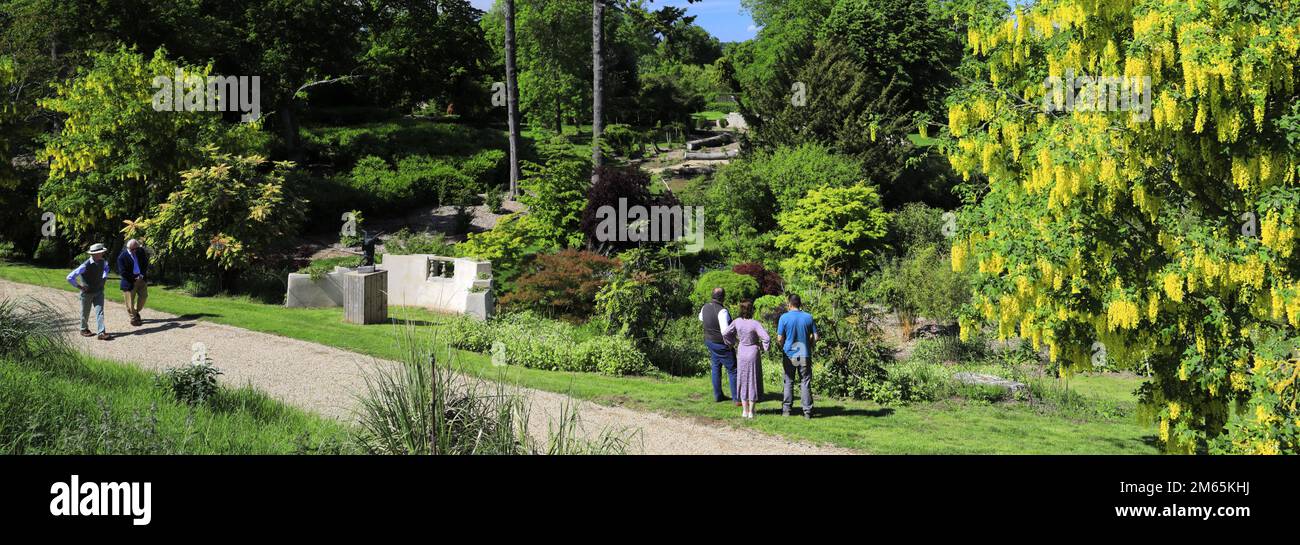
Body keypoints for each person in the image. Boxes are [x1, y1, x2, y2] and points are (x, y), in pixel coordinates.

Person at [723, 300, 770, 418]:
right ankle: (751, 412)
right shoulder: (755, 323)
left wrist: (732, 342)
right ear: (752, 310)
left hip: (742, 352)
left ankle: (744, 411)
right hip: (753, 352)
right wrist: (763, 347)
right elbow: (766, 338)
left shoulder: (736, 322)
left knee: (743, 379)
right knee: (753, 379)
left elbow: (725, 333)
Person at [776, 294, 818, 418]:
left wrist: (783, 346)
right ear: (800, 304)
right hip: (804, 353)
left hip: (789, 354)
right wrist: (810, 345)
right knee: (805, 382)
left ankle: (786, 410)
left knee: (789, 381)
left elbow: (779, 338)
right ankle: (807, 411)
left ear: (789, 304)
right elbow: (816, 337)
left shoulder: (784, 317)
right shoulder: (808, 317)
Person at [699, 287, 739, 404]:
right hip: (721, 344)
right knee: (733, 370)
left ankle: (718, 396)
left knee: (716, 367)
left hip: (709, 341)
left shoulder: (704, 307)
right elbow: (725, 331)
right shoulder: (722, 311)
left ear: (712, 296)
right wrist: (731, 344)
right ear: (723, 297)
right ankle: (736, 399)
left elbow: (701, 318)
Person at [67, 243, 112, 341]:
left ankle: (101, 332)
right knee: (85, 312)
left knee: (100, 312)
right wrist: (80, 286)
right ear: (95, 254)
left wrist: (103, 279)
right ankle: (83, 329)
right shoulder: (85, 265)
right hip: (87, 294)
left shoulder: (102, 262)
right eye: (101, 252)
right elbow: (70, 277)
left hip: (99, 291)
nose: (103, 253)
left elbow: (106, 269)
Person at [117, 239, 150, 326]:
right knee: (129, 302)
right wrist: (134, 278)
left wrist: (141, 275)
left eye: (136, 248)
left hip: (141, 279)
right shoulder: (122, 257)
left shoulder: (140, 251)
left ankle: (135, 311)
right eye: (132, 249)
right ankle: (134, 318)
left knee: (144, 297)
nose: (135, 251)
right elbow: (123, 272)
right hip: (129, 281)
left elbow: (145, 264)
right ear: (128, 248)